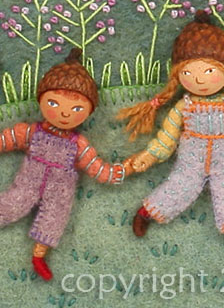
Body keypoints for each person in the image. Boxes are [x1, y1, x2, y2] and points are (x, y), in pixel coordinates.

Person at [120, 12, 224, 254]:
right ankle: (146, 213)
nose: (198, 79)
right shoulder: (184, 107)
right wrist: (149, 156)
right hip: (190, 164)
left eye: (209, 72)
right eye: (188, 73)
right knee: (178, 187)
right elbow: (167, 138)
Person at [0, 49, 128, 281]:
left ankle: (39, 256)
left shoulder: (78, 145)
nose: (65, 113)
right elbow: (10, 138)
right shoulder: (32, 132)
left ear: (89, 111)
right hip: (29, 182)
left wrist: (117, 172)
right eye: (53, 103)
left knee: (54, 219)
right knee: (11, 204)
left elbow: (95, 166)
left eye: (77, 109)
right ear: (41, 99)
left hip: (59, 192)